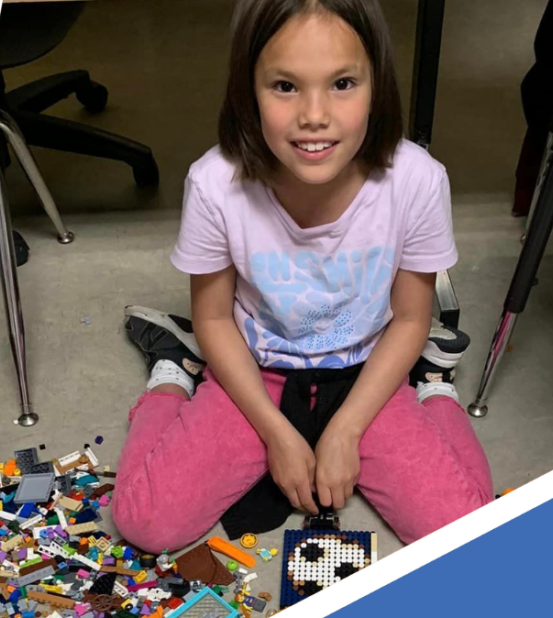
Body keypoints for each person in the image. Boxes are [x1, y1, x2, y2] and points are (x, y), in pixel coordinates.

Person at [111, 0, 492, 554]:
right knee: (146, 523)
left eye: (342, 83)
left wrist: (346, 429)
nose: (315, 115)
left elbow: (412, 316)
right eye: (285, 86)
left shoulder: (418, 180)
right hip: (258, 367)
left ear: (377, 86)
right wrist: (275, 431)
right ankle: (173, 370)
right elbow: (214, 316)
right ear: (248, 91)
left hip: (370, 368)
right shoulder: (214, 184)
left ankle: (433, 384)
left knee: (468, 533)